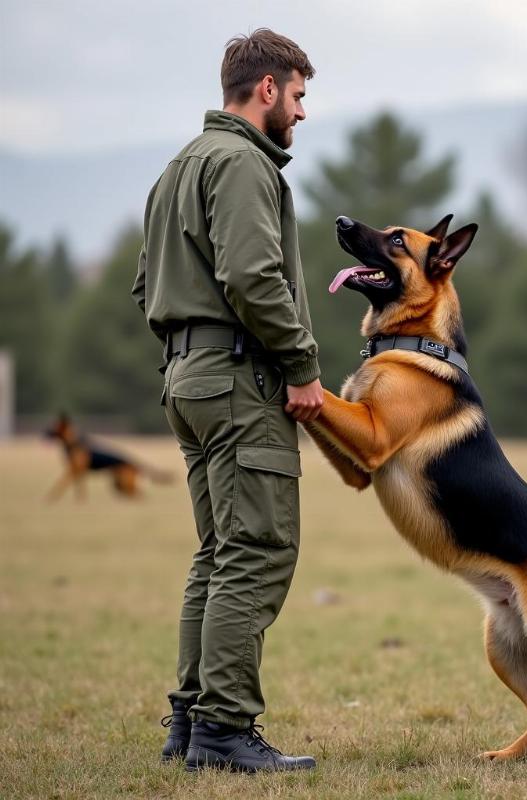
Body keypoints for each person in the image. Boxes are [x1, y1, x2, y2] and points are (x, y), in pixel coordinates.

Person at [132, 29, 323, 773]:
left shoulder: (180, 164)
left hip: (187, 380)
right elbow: (252, 277)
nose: (303, 113)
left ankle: (188, 721)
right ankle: (223, 729)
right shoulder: (243, 163)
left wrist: (189, 357)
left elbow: (146, 284)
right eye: (300, 95)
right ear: (267, 89)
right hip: (239, 382)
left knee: (217, 554)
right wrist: (301, 364)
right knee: (257, 551)